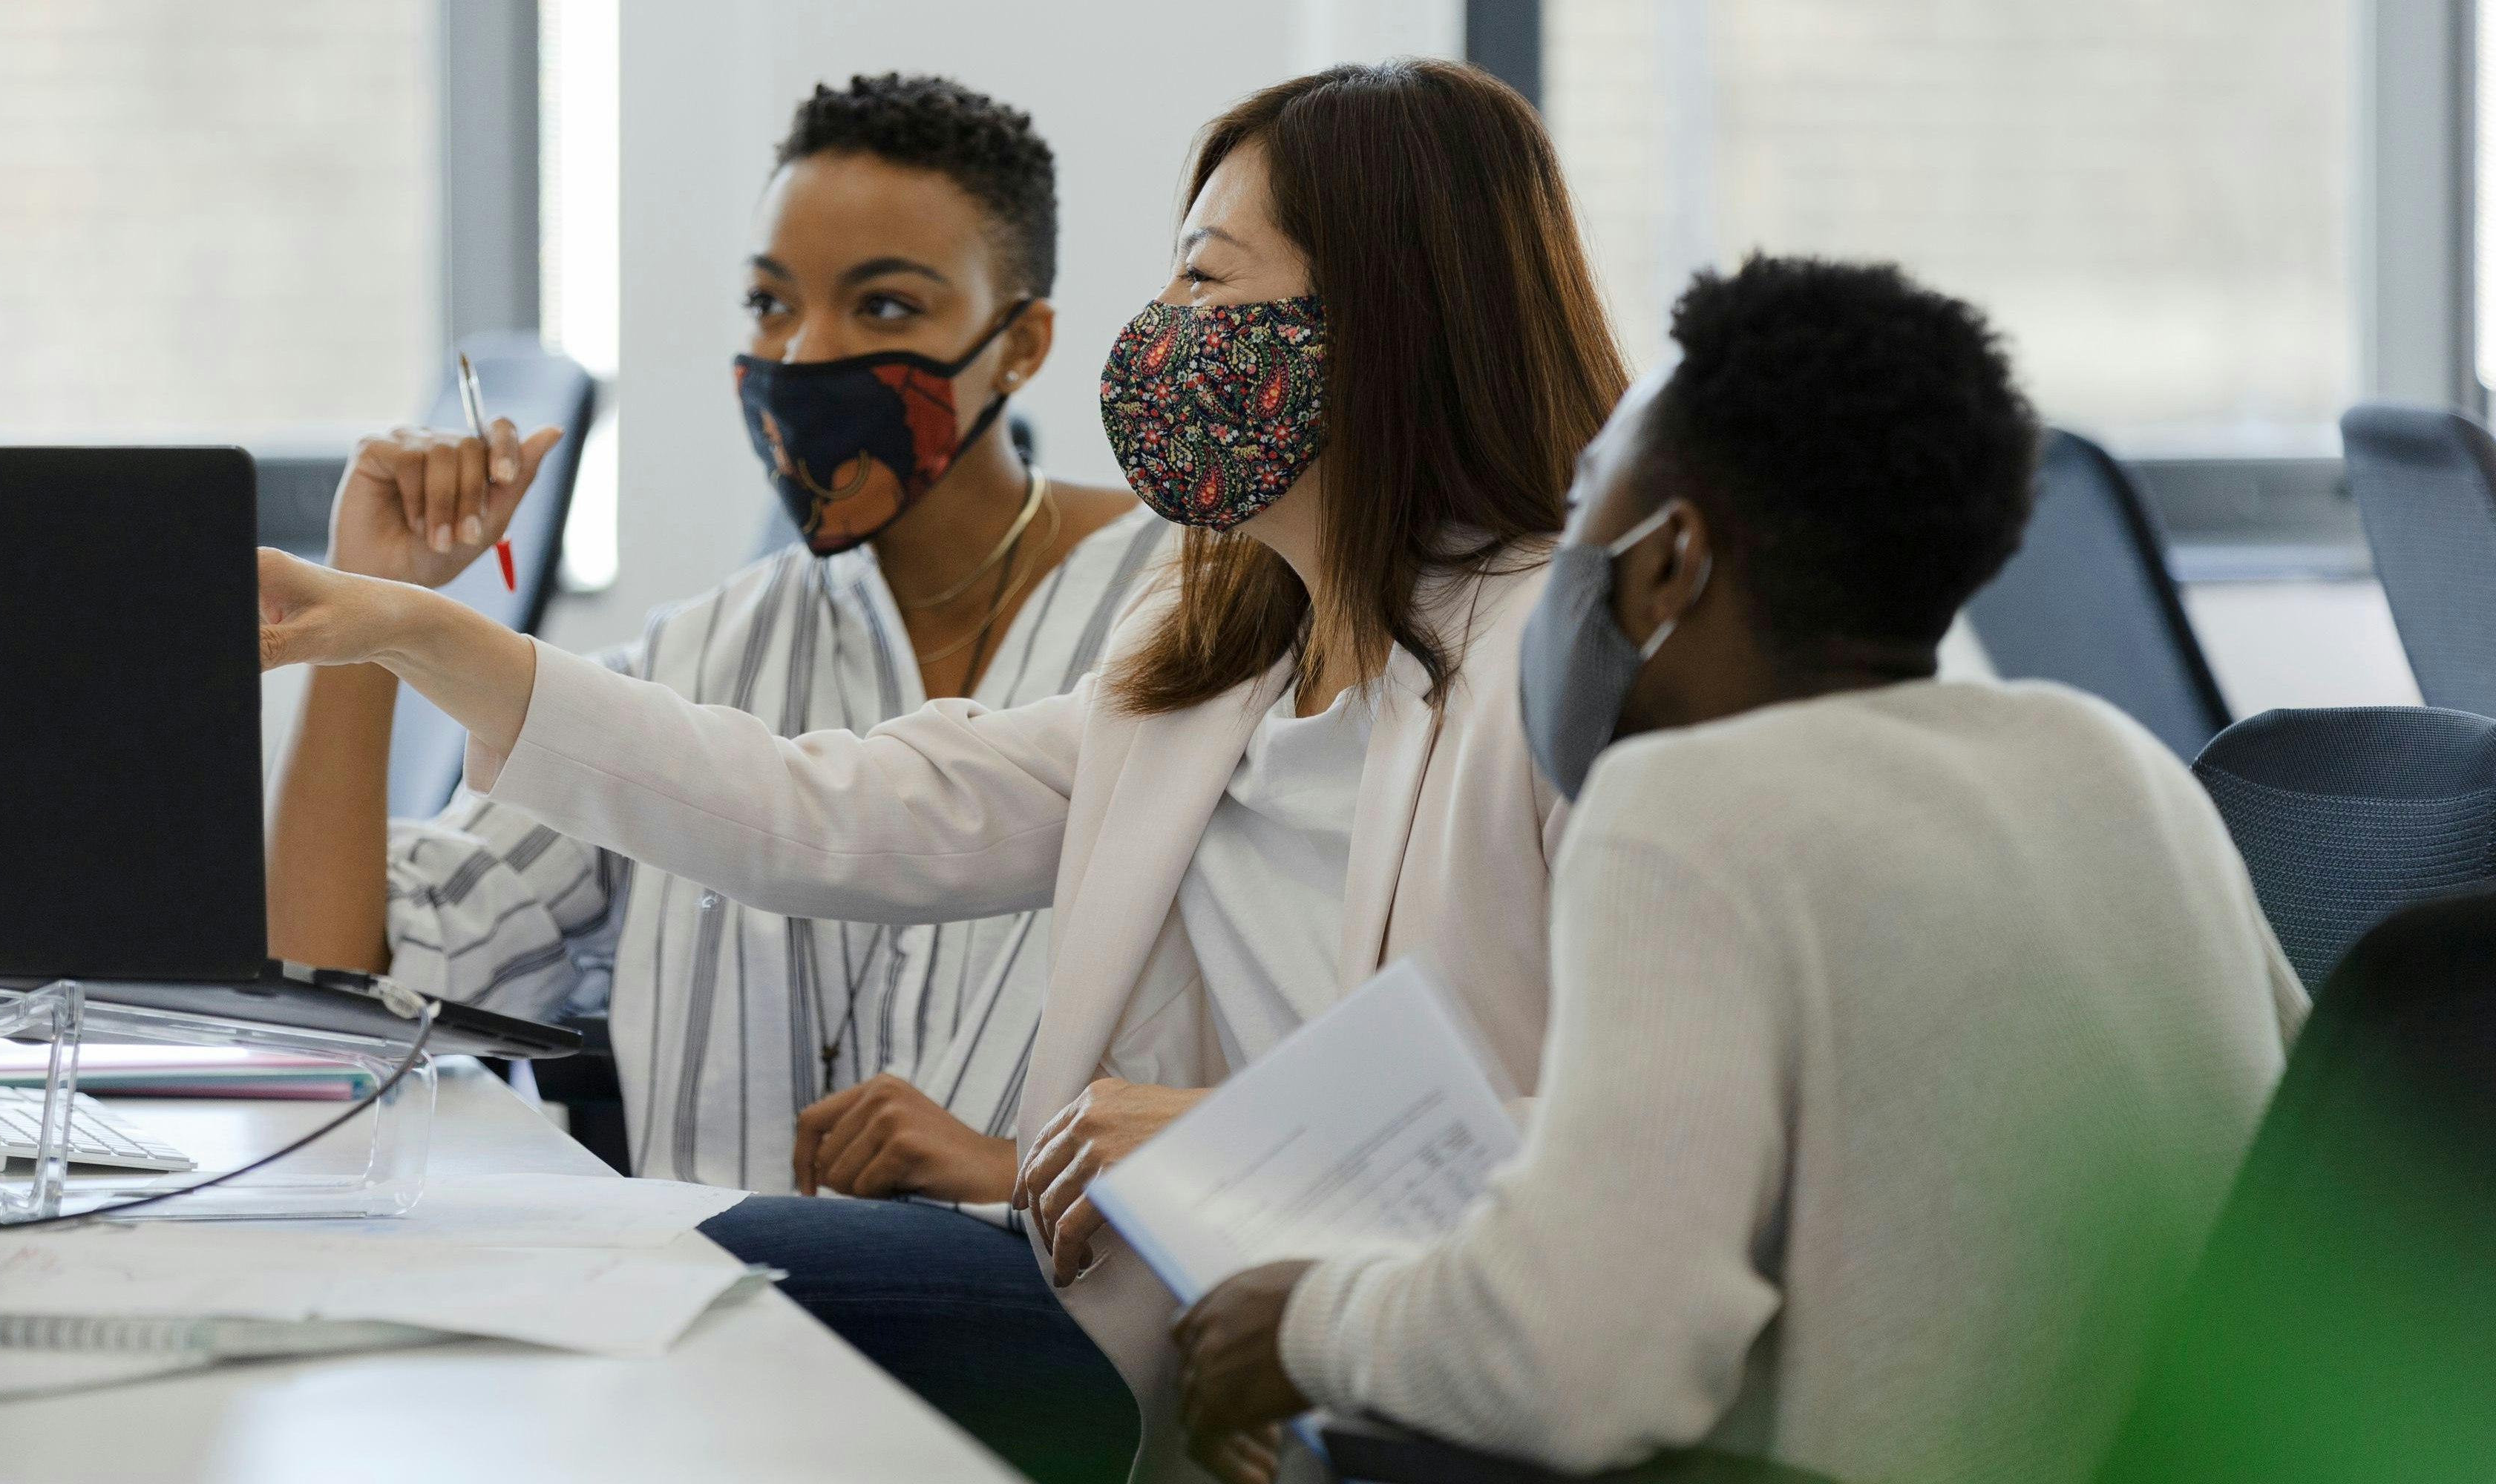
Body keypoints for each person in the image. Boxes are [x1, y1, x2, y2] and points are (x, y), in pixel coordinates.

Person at [255, 58, 1627, 1484]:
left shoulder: (1561, 665)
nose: (1163, 333)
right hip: (1220, 1361)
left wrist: (1238, 1142)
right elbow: (820, 811)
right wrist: (413, 629)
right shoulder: (1208, 665)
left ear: (1383, 327)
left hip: (1432, 1384)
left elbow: (1653, 1143)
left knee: (707, 1278)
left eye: (1208, 285)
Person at [1168, 256, 2307, 1484]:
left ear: (1669, 561)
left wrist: (1304, 1326)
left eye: (1583, 499)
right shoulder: (2118, 764)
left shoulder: (1694, 811)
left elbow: (1587, 1358)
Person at [267, 75, 1156, 1204]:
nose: (803, 353)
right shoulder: (703, 657)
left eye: (884, 308)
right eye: (769, 304)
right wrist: (366, 611)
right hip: (711, 1325)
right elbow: (334, 998)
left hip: (1048, 1328)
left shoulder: (1190, 618)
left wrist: (1017, 1167)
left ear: (1021, 344)